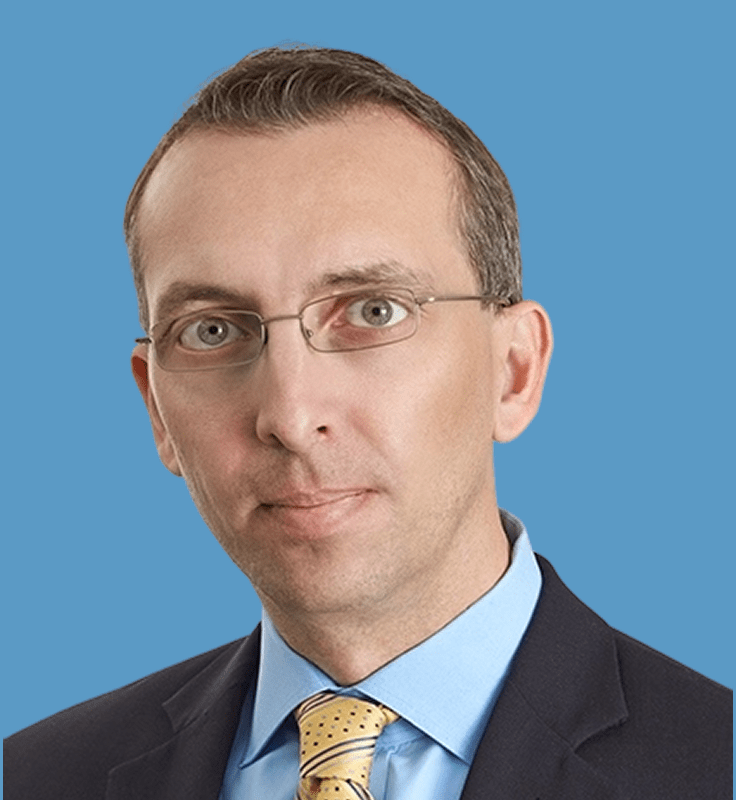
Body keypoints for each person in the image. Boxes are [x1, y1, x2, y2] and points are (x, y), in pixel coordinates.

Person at [4, 45, 731, 800]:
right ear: (156, 408)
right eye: (213, 330)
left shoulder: (716, 764)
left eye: (372, 312)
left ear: (514, 369)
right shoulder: (36, 778)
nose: (289, 414)